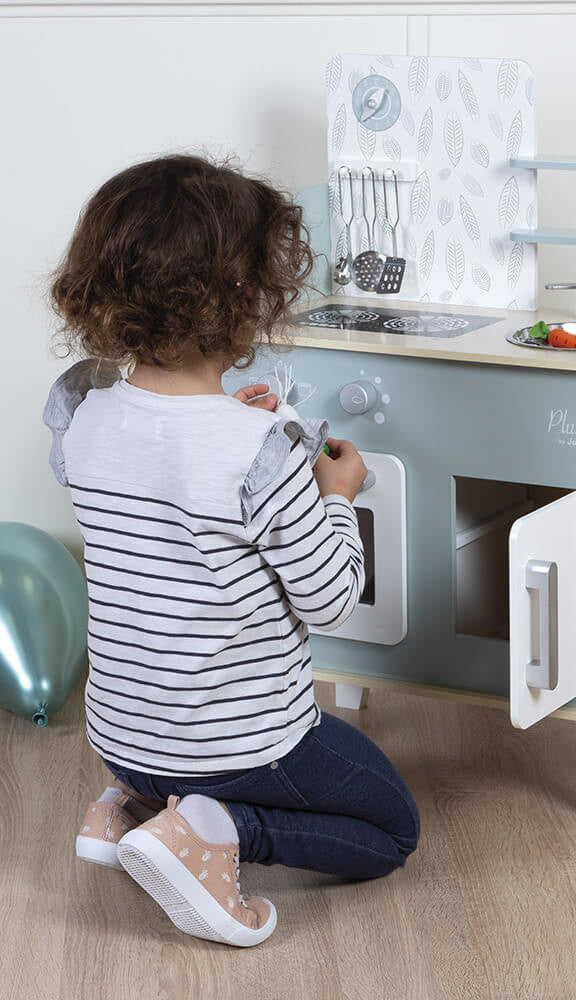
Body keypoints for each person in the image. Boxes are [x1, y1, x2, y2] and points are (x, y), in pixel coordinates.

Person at [43, 153, 419, 947]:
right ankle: (218, 830)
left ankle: (131, 808)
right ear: (245, 297)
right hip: (237, 746)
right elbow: (329, 599)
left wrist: (254, 433)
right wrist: (334, 497)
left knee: (170, 760)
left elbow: (166, 499)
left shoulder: (82, 416)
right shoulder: (263, 452)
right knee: (394, 830)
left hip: (123, 737)